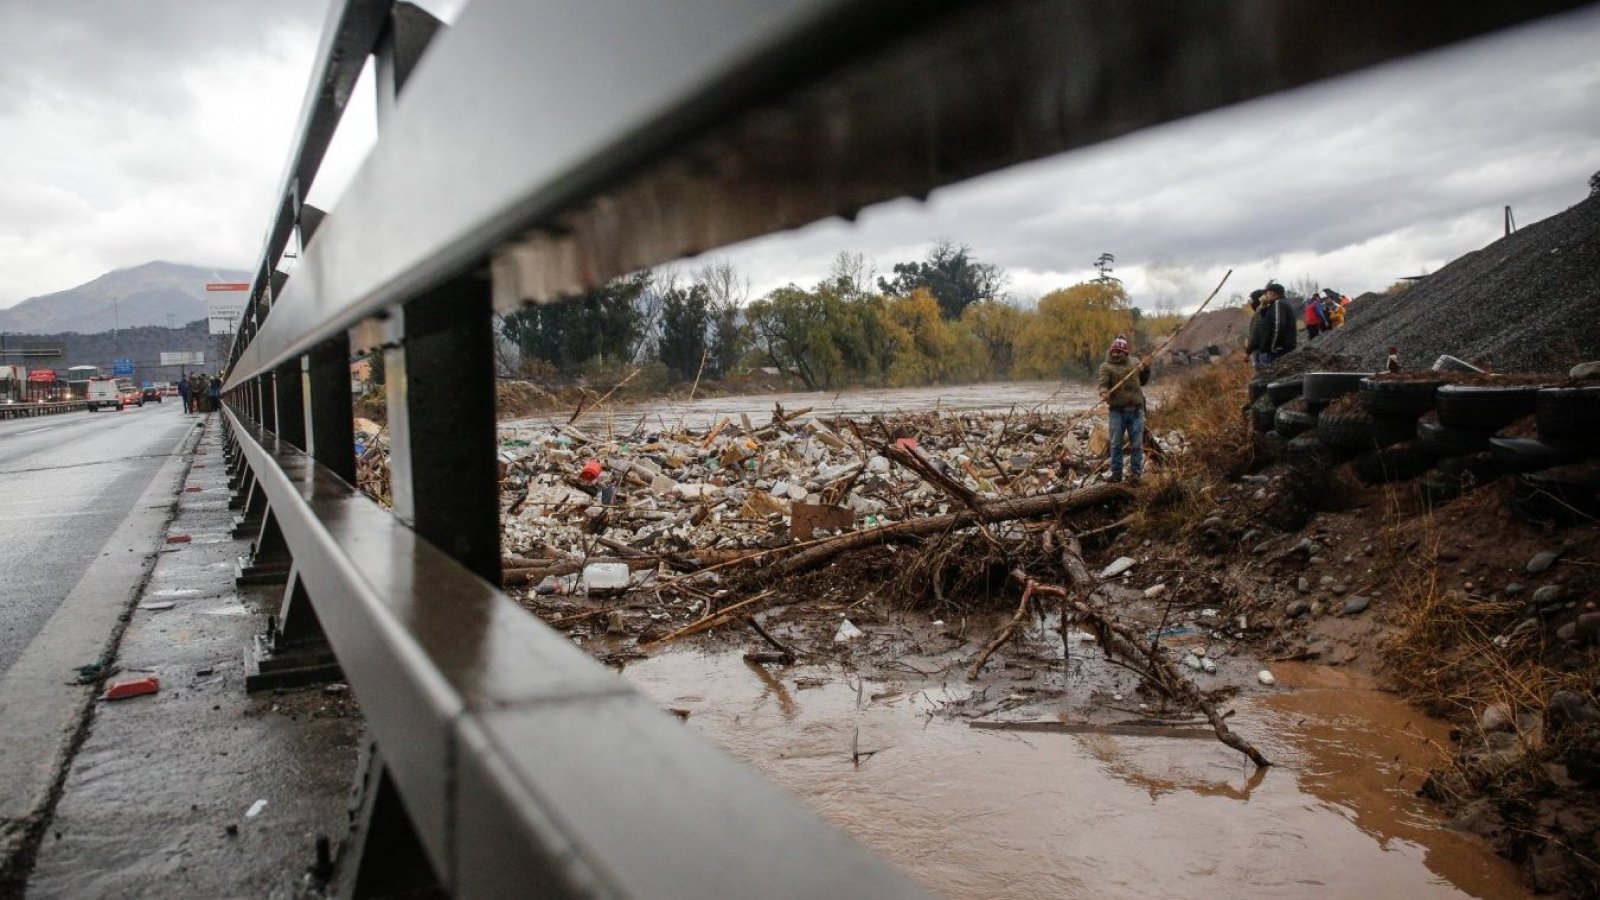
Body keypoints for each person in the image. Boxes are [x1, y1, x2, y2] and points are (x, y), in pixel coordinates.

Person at [1097, 336, 1151, 483]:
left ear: (1125, 353)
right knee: (1115, 444)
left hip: (1136, 411)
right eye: (1113, 351)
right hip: (1117, 411)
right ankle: (1116, 474)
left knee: (1136, 445)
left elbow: (1144, 382)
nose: (1115, 354)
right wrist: (1103, 392)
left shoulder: (1135, 362)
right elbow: (1103, 383)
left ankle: (1136, 475)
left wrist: (1146, 368)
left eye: (1119, 352)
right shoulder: (1106, 366)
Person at [1262, 282, 1296, 364]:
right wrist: (1263, 308)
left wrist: (1273, 346)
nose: (1266, 296)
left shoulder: (1278, 303)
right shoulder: (1279, 303)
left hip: (1280, 348)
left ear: (1274, 293)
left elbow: (1279, 326)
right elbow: (1268, 321)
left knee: (1268, 373)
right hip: (1283, 346)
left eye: (1267, 293)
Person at [1244, 289, 1272, 370]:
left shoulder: (1260, 313)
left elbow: (1255, 334)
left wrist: (1248, 351)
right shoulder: (1267, 310)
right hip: (1265, 349)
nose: (1251, 303)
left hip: (1260, 350)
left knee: (1261, 373)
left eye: (1252, 300)